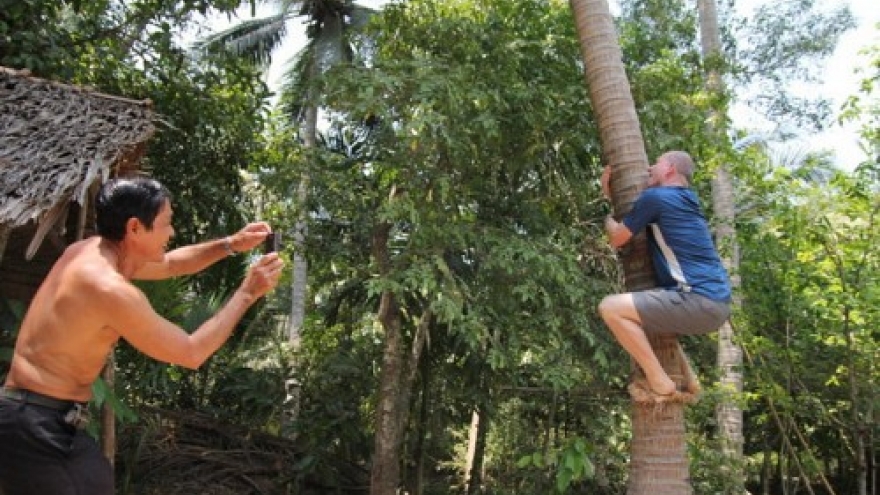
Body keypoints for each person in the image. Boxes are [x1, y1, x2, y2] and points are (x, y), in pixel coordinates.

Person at [0, 177, 284, 495]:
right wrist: (247, 293)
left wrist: (231, 244)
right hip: (30, 424)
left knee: (98, 480)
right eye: (166, 224)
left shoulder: (91, 251)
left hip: (49, 420)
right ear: (135, 228)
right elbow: (190, 352)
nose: (172, 233)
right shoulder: (107, 288)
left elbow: (171, 264)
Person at [598, 151, 731, 397]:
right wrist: (612, 193)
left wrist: (607, 213)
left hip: (697, 301)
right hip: (716, 303)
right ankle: (689, 377)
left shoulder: (657, 197)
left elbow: (618, 238)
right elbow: (639, 217)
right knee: (649, 305)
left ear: (669, 169)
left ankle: (660, 382)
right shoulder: (685, 199)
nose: (650, 168)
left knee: (611, 307)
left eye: (656, 163)